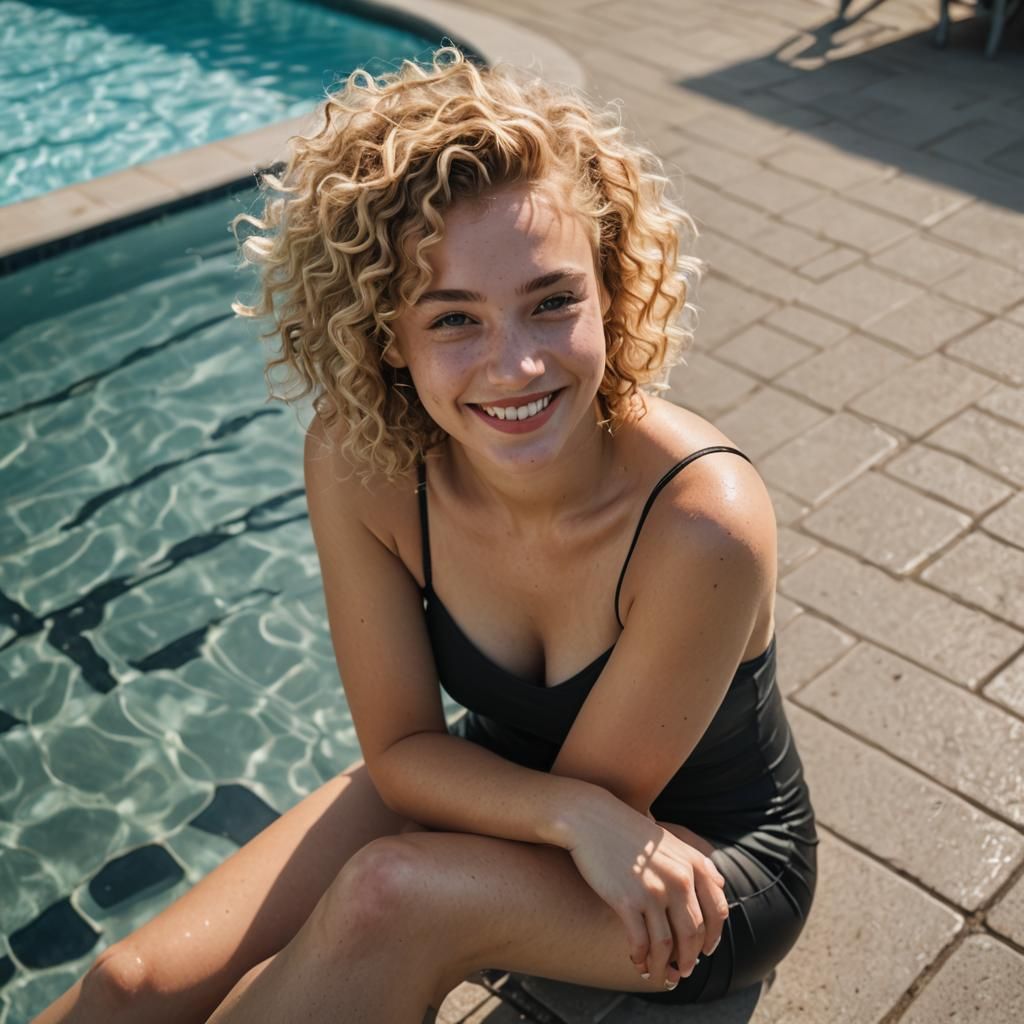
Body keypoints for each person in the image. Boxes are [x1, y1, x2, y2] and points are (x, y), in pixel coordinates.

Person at [35, 46, 817, 1023]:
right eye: (454, 318)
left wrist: (302, 971)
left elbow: (572, 820)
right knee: (128, 987)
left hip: (697, 869)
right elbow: (405, 747)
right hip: (524, 796)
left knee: (383, 904)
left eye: (551, 301)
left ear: (611, 293)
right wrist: (565, 808)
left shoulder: (702, 523)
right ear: (385, 335)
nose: (516, 364)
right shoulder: (361, 466)